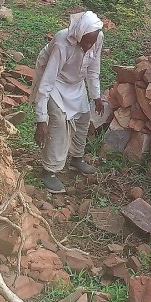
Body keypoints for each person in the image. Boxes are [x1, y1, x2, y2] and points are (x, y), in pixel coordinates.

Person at [31, 10, 105, 194]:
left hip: (75, 82)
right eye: (86, 41)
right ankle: (50, 170)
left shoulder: (97, 37)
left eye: (92, 41)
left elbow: (93, 68)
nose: (89, 45)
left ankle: (76, 158)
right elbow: (47, 81)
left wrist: (96, 95)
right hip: (56, 80)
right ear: (78, 35)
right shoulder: (62, 43)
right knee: (58, 121)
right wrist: (41, 119)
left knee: (83, 117)